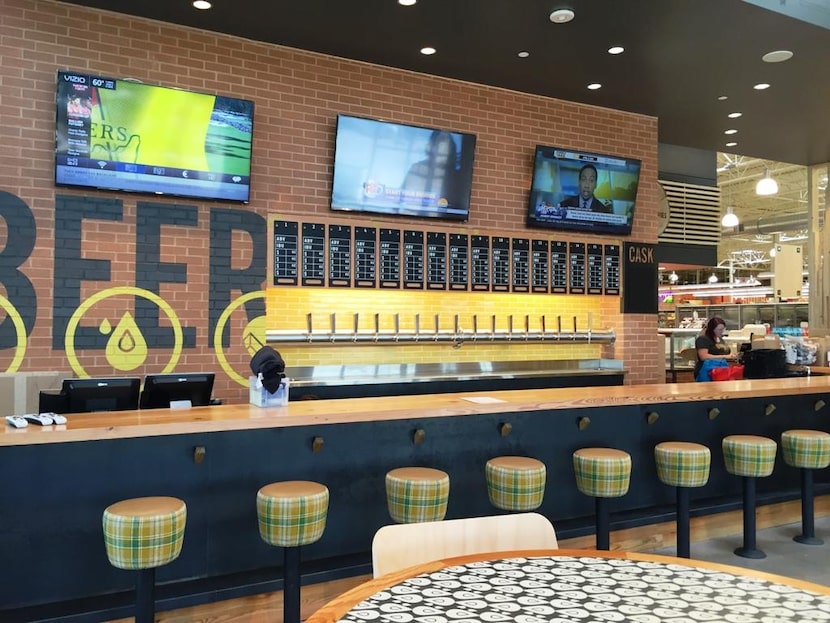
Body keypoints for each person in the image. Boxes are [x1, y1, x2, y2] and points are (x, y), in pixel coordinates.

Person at [401, 130, 460, 207]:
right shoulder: (416, 169)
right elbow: (399, 199)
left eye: (444, 155)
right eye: (439, 155)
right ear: (431, 148)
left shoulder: (455, 177)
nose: (442, 159)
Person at [694, 316, 736, 380]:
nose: (722, 331)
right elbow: (704, 357)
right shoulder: (703, 339)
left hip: (721, 370)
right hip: (707, 372)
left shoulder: (720, 339)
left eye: (723, 329)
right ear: (712, 329)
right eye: (719, 329)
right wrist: (725, 356)